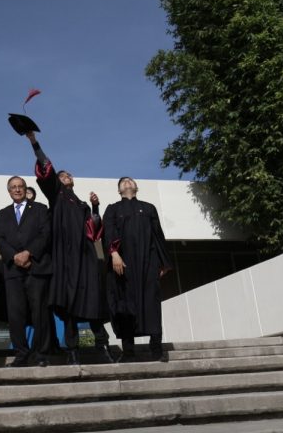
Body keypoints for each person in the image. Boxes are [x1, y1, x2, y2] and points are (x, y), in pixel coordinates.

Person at [25, 131, 113, 365]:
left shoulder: (82, 204)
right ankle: (72, 350)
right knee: (70, 303)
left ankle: (103, 347)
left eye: (68, 175)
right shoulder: (57, 196)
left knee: (93, 301)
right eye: (62, 175)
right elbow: (46, 169)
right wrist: (35, 143)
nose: (65, 176)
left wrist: (95, 207)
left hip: (85, 258)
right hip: (65, 259)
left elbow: (93, 232)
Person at [103, 177, 173, 362]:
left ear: (136, 188)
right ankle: (128, 351)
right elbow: (108, 232)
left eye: (130, 181)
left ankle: (156, 348)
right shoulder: (113, 209)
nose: (127, 182)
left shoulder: (149, 208)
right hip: (123, 265)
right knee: (125, 305)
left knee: (151, 303)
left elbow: (158, 235)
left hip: (148, 263)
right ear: (119, 190)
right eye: (123, 182)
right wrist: (114, 254)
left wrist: (164, 263)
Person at [0, 176, 52, 367]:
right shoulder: (2, 214)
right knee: (16, 314)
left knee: (40, 313)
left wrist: (28, 253)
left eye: (20, 186)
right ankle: (21, 354)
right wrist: (15, 257)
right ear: (9, 191)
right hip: (13, 271)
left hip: (36, 268)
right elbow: (0, 240)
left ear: (25, 189)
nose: (17, 190)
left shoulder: (40, 209)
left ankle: (41, 354)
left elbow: (45, 234)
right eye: (13, 187)